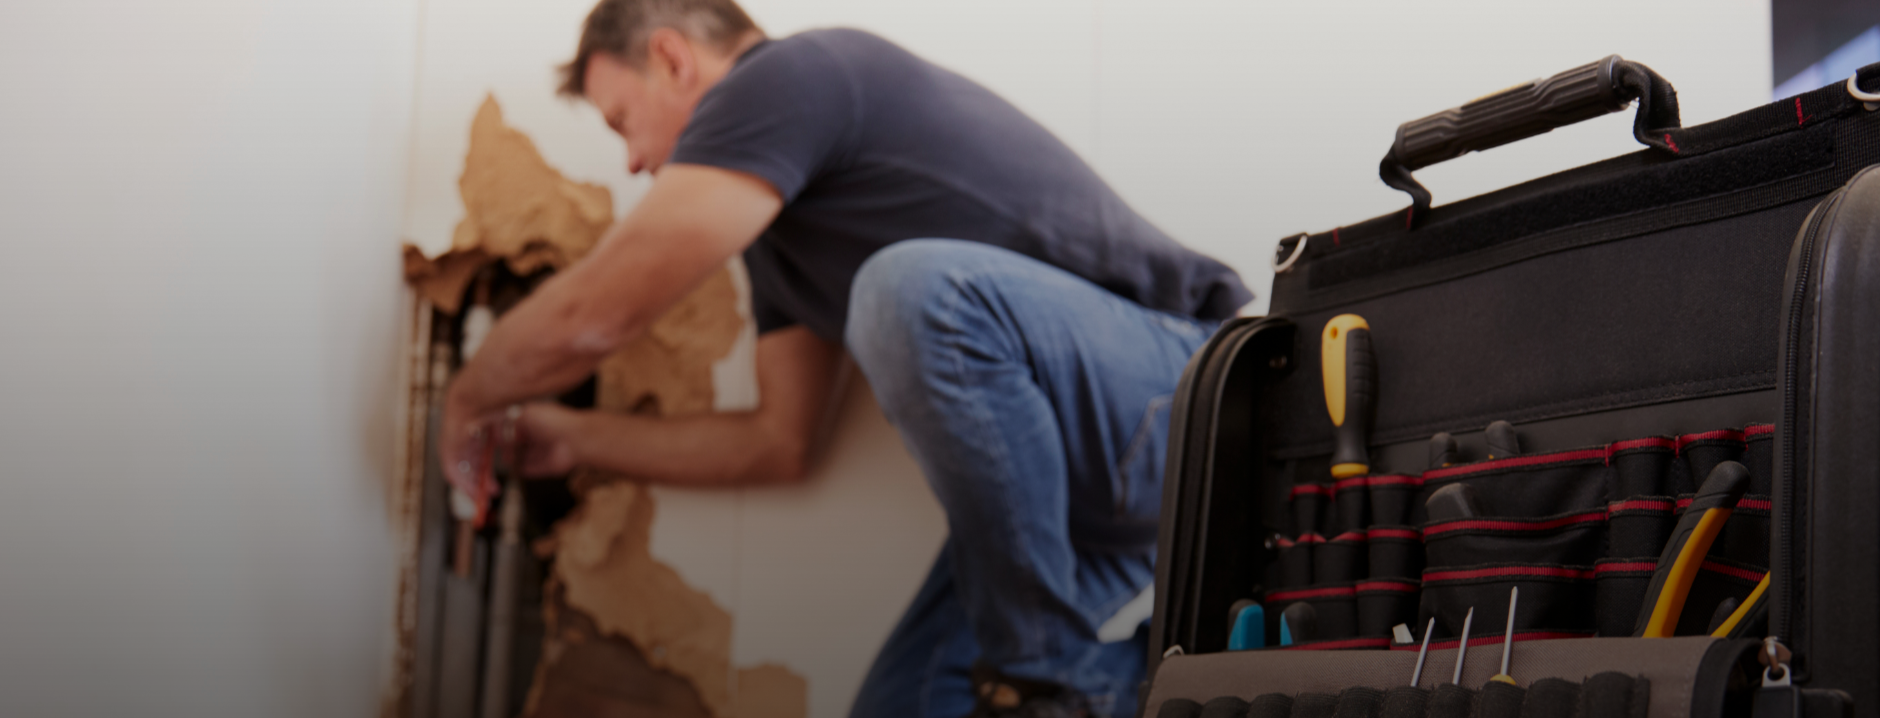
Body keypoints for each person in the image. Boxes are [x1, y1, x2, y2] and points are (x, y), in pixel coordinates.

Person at [438, 1, 1252, 715]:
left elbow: (604, 311)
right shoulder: (777, 244)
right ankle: (1127, 684)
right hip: (1073, 511)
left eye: (622, 121)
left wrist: (469, 397)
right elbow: (779, 443)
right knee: (906, 707)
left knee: (906, 291)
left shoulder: (792, 75)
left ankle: (1057, 679)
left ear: (672, 58)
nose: (632, 162)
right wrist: (576, 440)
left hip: (1179, 397)